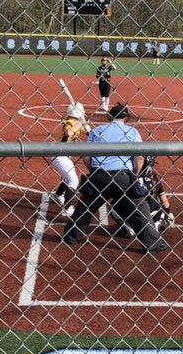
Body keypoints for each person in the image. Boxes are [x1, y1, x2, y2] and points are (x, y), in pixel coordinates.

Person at [63, 102, 169, 256]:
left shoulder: (97, 131)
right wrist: (134, 174)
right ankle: (152, 244)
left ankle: (70, 236)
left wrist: (94, 170)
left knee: (85, 207)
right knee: (140, 209)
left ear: (110, 117)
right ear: (125, 118)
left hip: (98, 175)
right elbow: (139, 157)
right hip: (123, 177)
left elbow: (86, 155)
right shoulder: (132, 131)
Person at [50, 103, 88, 217]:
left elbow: (87, 132)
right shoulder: (70, 123)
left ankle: (58, 194)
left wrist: (85, 127)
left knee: (68, 177)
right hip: (60, 155)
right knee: (73, 181)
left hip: (62, 155)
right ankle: (66, 209)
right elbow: (68, 132)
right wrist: (80, 124)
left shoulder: (75, 123)